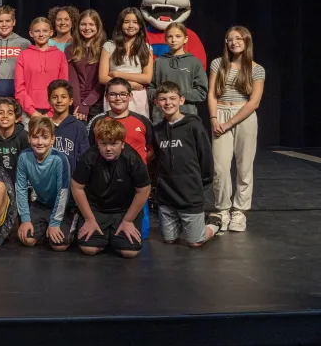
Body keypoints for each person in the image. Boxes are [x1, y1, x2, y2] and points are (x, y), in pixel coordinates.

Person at [208, 26, 264, 232]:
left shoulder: (257, 69)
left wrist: (229, 123)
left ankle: (239, 212)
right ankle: (222, 210)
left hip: (243, 117)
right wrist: (214, 119)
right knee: (220, 167)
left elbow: (254, 102)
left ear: (246, 41)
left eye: (238, 38)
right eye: (230, 39)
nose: (234, 42)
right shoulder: (217, 64)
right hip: (220, 113)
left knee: (244, 166)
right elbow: (212, 94)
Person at [71, 119, 151, 258]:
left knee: (130, 252)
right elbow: (76, 187)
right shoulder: (89, 157)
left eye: (114, 144)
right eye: (103, 144)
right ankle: (106, 235)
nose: (108, 149)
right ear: (98, 143)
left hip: (124, 210)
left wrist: (128, 220)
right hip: (96, 208)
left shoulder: (132, 158)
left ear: (122, 144)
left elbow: (143, 189)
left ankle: (111, 235)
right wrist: (89, 219)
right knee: (89, 249)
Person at [153, 82, 220, 246]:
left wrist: (202, 182)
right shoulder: (157, 131)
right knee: (169, 240)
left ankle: (214, 223)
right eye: (162, 99)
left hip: (190, 195)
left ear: (181, 100)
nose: (168, 103)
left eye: (172, 98)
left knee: (195, 242)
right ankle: (186, 223)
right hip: (167, 196)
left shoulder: (194, 126)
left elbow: (205, 157)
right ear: (156, 103)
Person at [15, 116, 73, 251]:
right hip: (41, 204)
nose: (40, 142)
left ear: (52, 139)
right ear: (29, 138)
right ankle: (43, 229)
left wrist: (54, 222)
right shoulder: (24, 157)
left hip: (63, 207)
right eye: (35, 137)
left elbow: (63, 193)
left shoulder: (60, 159)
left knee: (60, 245)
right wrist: (25, 219)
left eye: (45, 137)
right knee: (27, 239)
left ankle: (69, 221)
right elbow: (21, 189)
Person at [148, 22, 208, 124]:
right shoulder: (159, 62)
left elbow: (201, 92)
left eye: (178, 36)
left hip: (186, 114)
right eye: (170, 36)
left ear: (185, 39)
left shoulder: (194, 62)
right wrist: (161, 97)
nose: (173, 40)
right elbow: (150, 88)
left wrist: (177, 96)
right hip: (161, 117)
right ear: (165, 39)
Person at [100, 7, 154, 118]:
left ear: (140, 25)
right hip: (115, 96)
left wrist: (118, 74)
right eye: (126, 22)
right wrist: (133, 85)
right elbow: (102, 78)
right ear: (120, 24)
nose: (130, 26)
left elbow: (147, 78)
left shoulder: (146, 48)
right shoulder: (109, 46)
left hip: (137, 97)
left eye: (135, 22)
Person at [87, 78, 154, 164]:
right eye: (112, 94)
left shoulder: (143, 121)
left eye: (123, 94)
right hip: (106, 174)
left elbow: (152, 151)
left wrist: (139, 164)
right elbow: (90, 150)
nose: (118, 98)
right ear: (106, 97)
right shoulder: (97, 121)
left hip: (137, 175)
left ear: (130, 97)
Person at [16, 17, 69, 117]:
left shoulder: (60, 55)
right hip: (29, 113)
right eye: (37, 31)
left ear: (51, 33)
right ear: (31, 34)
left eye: (45, 31)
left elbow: (63, 86)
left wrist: (51, 113)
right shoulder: (23, 55)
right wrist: (32, 111)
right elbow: (19, 88)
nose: (41, 34)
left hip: (55, 112)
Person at [65, 9, 106, 122]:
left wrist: (87, 103)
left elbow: (101, 82)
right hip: (76, 104)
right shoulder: (70, 49)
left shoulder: (106, 48)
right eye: (83, 24)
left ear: (98, 26)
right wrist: (79, 105)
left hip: (98, 102)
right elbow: (73, 79)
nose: (87, 28)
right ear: (78, 26)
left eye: (91, 24)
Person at [49, 79, 88, 175]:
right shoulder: (44, 125)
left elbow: (85, 156)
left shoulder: (79, 127)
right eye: (55, 97)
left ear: (71, 101)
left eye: (63, 97)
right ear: (49, 101)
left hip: (71, 180)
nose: (59, 101)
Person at [0, 97, 30, 184]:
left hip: (20, 184)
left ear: (16, 117)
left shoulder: (25, 137)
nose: (5, 116)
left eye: (10, 113)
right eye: (0, 113)